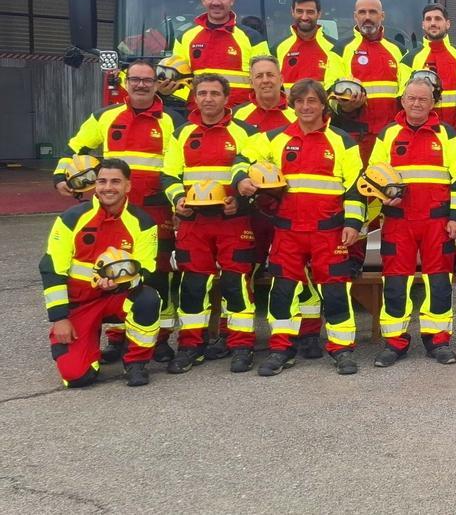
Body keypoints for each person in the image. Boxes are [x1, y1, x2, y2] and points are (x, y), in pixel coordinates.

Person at [55, 60, 178, 364]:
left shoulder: (171, 121)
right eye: (135, 79)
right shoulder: (105, 117)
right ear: (125, 81)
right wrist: (61, 177)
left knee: (158, 276)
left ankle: (158, 339)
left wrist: (178, 205)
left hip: (155, 213)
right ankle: (118, 338)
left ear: (156, 84)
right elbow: (76, 149)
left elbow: (179, 167)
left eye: (147, 80)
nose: (141, 85)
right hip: (112, 211)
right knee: (110, 271)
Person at [253, 78, 366, 376]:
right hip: (287, 231)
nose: (306, 107)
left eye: (312, 101)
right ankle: (281, 349)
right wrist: (244, 179)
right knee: (283, 292)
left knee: (335, 292)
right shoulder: (274, 139)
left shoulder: (342, 141)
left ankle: (342, 349)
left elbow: (355, 187)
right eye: (300, 101)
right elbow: (243, 160)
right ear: (292, 104)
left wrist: (353, 223)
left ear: (322, 104)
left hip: (329, 231)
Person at [367, 77, 456, 366]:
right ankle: (395, 341)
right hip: (398, 222)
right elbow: (373, 174)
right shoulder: (388, 134)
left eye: (423, 99)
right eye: (411, 98)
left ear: (433, 102)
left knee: (439, 282)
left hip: (437, 222)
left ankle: (438, 340)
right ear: (402, 100)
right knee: (395, 283)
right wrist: (382, 198)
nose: (416, 104)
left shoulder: (447, 134)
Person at [160, 74, 260, 374]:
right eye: (202, 93)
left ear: (226, 98)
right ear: (194, 97)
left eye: (215, 93)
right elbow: (168, 175)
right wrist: (178, 200)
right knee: (193, 284)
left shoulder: (246, 133)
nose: (208, 99)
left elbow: (256, 176)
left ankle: (241, 344)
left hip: (233, 219)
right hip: (195, 222)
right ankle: (192, 345)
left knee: (237, 283)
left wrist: (239, 202)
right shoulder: (182, 133)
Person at [40, 159, 162, 387]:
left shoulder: (143, 223)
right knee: (77, 377)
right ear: (95, 185)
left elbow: (147, 270)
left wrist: (120, 285)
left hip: (117, 298)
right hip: (80, 304)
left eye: (116, 181)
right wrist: (59, 318)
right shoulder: (71, 218)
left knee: (148, 299)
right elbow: (51, 268)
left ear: (128, 186)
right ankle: (89, 341)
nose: (108, 187)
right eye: (102, 181)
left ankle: (136, 363)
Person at [232, 55, 323, 358]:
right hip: (253, 213)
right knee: (245, 272)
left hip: (290, 213)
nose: (265, 80)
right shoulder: (239, 116)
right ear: (251, 80)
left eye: (271, 74)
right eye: (259, 75)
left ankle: (308, 334)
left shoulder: (295, 113)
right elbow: (241, 159)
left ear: (281, 79)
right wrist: (241, 180)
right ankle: (241, 339)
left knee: (301, 273)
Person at [402, 3, 456, 276]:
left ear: (448, 24)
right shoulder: (408, 60)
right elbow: (403, 101)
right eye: (428, 19)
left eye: (438, 19)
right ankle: (422, 250)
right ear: (423, 25)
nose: (433, 23)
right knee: (424, 194)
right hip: (422, 138)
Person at [330, 0, 411, 163]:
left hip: (389, 136)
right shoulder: (340, 49)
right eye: (362, 12)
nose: (367, 17)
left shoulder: (399, 50)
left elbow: (406, 93)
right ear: (355, 16)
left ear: (382, 16)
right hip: (354, 136)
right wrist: (345, 106)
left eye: (372, 12)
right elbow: (330, 91)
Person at [172, 0, 270, 107]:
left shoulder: (252, 38)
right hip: (199, 115)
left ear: (231, 0)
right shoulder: (185, 38)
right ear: (203, 0)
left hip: (239, 117)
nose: (216, 2)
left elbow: (266, 79)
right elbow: (178, 82)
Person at [273, 0, 342, 92]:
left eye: (310, 12)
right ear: (292, 12)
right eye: (299, 11)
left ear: (319, 14)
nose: (304, 17)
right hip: (288, 108)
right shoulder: (278, 48)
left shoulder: (335, 48)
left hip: (323, 108)